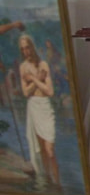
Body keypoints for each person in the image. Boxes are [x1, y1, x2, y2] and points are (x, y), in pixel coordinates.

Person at [18, 32, 60, 186]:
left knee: (50, 150)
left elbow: (50, 91)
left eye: (27, 47)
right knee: (41, 149)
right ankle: (48, 181)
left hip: (45, 107)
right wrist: (38, 79)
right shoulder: (23, 67)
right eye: (23, 49)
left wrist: (33, 79)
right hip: (33, 107)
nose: (26, 51)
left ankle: (58, 184)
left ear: (32, 47)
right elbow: (25, 93)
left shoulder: (43, 65)